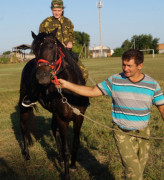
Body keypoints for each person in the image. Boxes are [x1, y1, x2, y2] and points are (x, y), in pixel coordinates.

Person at [58, 49, 164, 180]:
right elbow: (91, 90)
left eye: (129, 65)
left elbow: (162, 107)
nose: (125, 69)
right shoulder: (115, 80)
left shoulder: (152, 85)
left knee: (138, 171)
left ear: (140, 66)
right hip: (122, 133)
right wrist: (67, 84)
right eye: (123, 65)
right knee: (135, 175)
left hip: (143, 133)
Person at [22, 0, 88, 107]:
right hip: (50, 54)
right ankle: (33, 96)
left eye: (58, 10)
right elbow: (40, 40)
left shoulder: (68, 22)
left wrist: (71, 42)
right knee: (38, 73)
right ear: (51, 10)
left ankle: (82, 97)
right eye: (54, 10)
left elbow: (71, 36)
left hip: (67, 53)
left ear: (62, 10)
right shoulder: (45, 22)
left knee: (83, 72)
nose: (56, 12)